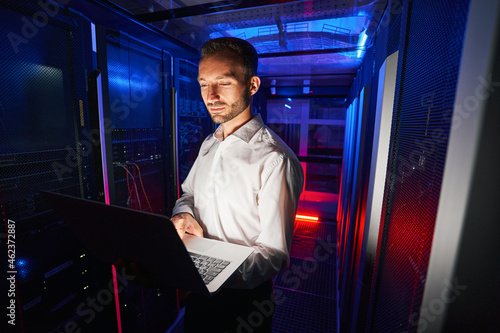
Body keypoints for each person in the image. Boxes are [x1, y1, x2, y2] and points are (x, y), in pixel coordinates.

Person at [171, 37, 304, 332]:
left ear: (252, 85)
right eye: (204, 84)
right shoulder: (210, 143)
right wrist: (184, 213)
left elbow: (273, 254)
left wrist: (208, 274)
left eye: (224, 83)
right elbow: (188, 193)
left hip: (243, 305)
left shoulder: (275, 159)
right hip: (198, 294)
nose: (211, 95)